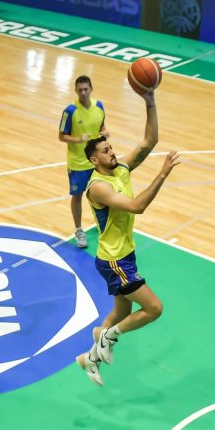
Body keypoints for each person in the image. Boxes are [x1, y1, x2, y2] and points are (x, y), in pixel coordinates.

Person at [74, 91, 180, 386]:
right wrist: (162, 174)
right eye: (105, 151)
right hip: (114, 260)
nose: (112, 153)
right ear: (94, 159)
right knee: (154, 308)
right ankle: (106, 336)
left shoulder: (120, 169)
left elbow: (149, 141)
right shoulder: (98, 187)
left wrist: (150, 99)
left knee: (122, 310)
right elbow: (137, 206)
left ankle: (89, 358)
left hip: (124, 255)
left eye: (111, 148)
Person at [58, 76, 108, 249]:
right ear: (76, 90)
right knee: (78, 196)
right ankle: (79, 230)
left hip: (96, 161)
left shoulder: (99, 106)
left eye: (86, 89)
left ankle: (103, 224)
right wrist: (78, 139)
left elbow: (101, 125)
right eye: (80, 90)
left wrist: (104, 132)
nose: (83, 92)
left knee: (102, 193)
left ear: (91, 88)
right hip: (78, 163)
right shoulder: (70, 111)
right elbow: (61, 136)